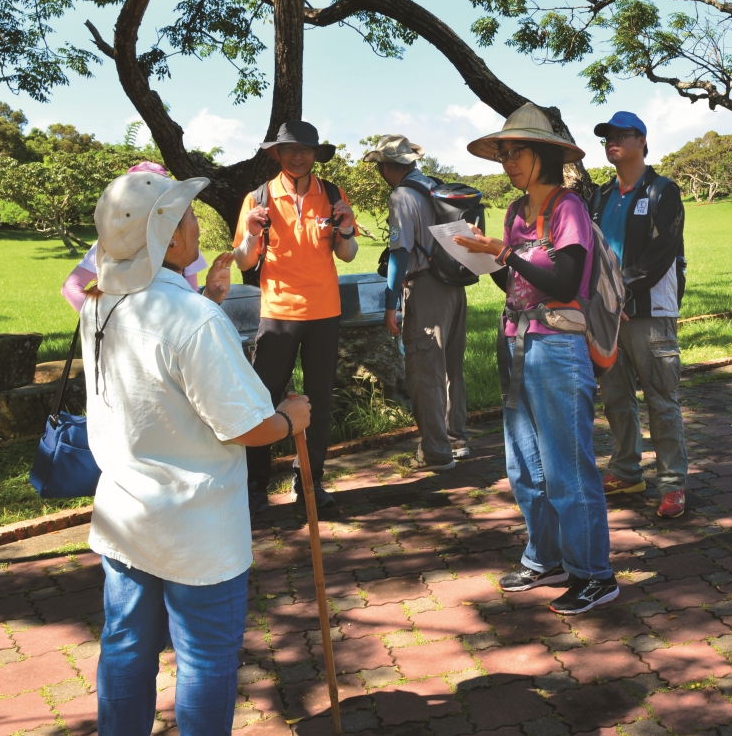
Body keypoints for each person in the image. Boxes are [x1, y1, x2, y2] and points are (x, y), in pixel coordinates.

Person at [84, 170, 312, 736]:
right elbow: (243, 426)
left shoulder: (101, 305)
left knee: (127, 646)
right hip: (197, 524)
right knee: (206, 656)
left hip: (125, 513)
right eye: (184, 218)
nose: (195, 226)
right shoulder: (192, 319)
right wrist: (290, 420)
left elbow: (161, 374)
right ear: (167, 238)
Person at [454, 103, 617, 615]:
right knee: (524, 464)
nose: (507, 162)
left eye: (515, 151)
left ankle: (595, 573)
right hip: (516, 340)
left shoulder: (567, 208)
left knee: (568, 466)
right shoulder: (513, 212)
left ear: (543, 153)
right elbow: (516, 283)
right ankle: (544, 556)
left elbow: (566, 281)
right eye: (502, 154)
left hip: (558, 348)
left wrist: (505, 253)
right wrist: (482, 259)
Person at [232, 122, 357, 518]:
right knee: (262, 400)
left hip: (324, 312)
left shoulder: (333, 195)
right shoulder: (259, 198)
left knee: (318, 401)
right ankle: (255, 485)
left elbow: (348, 255)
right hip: (278, 312)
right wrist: (252, 234)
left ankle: (309, 481)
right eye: (289, 150)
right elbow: (243, 260)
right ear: (277, 155)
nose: (297, 156)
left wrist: (348, 229)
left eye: (304, 149)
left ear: (315, 154)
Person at [587, 111, 689, 518]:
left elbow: (662, 253)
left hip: (649, 312)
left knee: (661, 400)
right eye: (607, 137)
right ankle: (627, 470)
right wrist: (603, 301)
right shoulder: (601, 196)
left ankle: (672, 483)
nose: (613, 141)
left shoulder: (664, 191)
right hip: (608, 315)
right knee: (615, 397)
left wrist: (621, 295)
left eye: (622, 135)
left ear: (642, 141)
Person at [362, 133, 468, 471]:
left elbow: (399, 254)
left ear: (388, 167)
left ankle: (436, 453)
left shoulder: (402, 196)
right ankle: (456, 439)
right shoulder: (434, 186)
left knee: (425, 371)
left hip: (426, 289)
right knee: (451, 369)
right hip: (456, 285)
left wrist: (391, 303)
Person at [62, 162, 209, 311]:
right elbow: (71, 286)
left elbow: (191, 296)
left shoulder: (182, 244)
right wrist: (99, 318)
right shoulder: (110, 243)